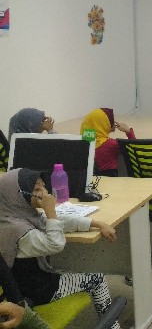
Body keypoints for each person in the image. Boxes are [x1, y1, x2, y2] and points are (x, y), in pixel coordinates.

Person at [0, 169, 121, 329]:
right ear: (16, 195)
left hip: (28, 284)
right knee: (97, 279)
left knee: (69, 270)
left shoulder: (16, 215)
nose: (45, 193)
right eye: (37, 189)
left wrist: (97, 224)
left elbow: (57, 222)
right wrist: (50, 211)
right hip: (38, 291)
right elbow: (55, 243)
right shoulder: (16, 230)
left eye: (44, 187)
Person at [80, 108, 135, 177]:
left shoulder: (84, 142)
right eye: (110, 119)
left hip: (92, 180)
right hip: (110, 180)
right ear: (103, 123)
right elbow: (134, 148)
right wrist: (128, 131)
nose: (113, 121)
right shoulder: (111, 144)